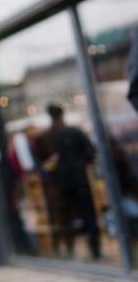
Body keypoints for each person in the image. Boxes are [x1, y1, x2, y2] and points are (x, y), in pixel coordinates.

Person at [36, 103, 100, 260]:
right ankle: (95, 250)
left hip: (59, 182)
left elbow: (42, 161)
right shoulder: (72, 131)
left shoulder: (46, 136)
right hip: (78, 178)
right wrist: (83, 163)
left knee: (65, 217)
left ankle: (68, 248)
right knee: (87, 213)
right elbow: (90, 150)